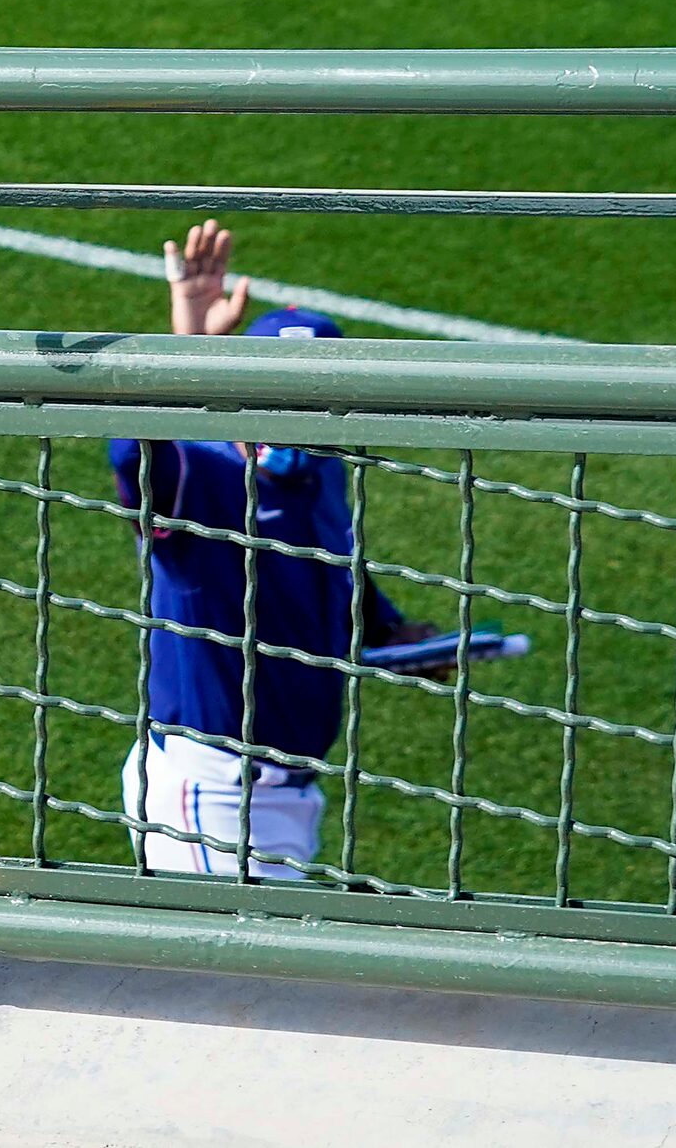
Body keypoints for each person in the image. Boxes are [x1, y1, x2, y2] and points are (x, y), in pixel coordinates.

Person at [111, 221, 444, 880]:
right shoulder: (198, 481)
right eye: (281, 389)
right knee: (228, 976)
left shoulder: (316, 479)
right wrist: (189, 350)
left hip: (292, 789)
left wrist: (391, 631)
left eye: (317, 392)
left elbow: (327, 571)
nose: (300, 409)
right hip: (210, 791)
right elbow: (131, 451)